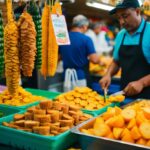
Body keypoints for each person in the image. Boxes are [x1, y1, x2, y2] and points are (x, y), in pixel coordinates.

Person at [99, 0, 150, 99]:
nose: (121, 22)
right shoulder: (121, 35)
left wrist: (142, 83)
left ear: (137, 11)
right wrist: (108, 75)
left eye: (125, 16)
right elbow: (116, 61)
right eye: (119, 18)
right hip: (124, 95)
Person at [59, 15, 102, 88]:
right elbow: (94, 59)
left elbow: (59, 57)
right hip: (80, 78)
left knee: (67, 98)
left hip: (65, 77)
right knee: (80, 98)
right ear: (84, 26)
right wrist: (100, 61)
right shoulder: (86, 39)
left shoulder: (62, 37)